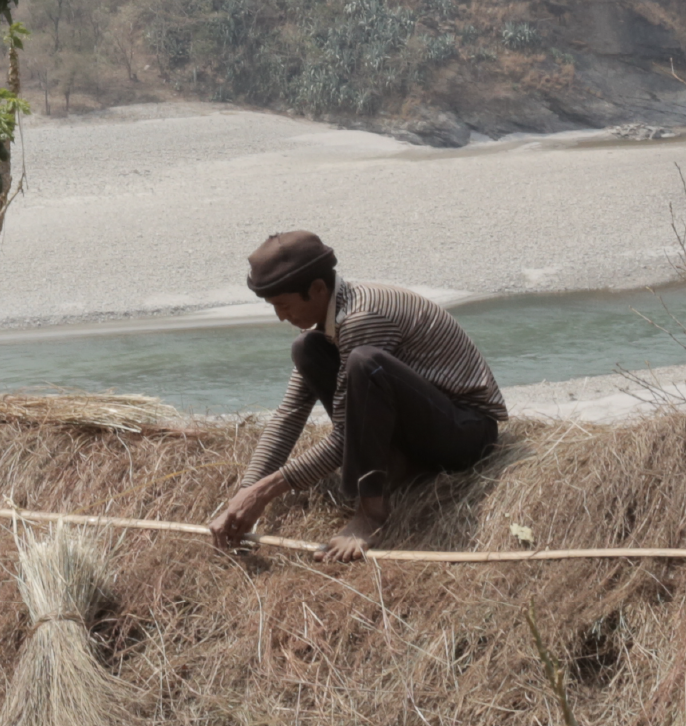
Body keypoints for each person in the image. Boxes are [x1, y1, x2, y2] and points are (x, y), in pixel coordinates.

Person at [206, 229, 504, 562]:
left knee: (366, 363)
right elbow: (289, 414)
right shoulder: (330, 318)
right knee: (306, 349)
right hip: (425, 428)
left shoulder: (363, 318)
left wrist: (266, 491)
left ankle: (371, 514)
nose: (280, 317)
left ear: (317, 289)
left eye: (285, 306)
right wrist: (243, 496)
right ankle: (396, 465)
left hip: (467, 433)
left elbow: (345, 434)